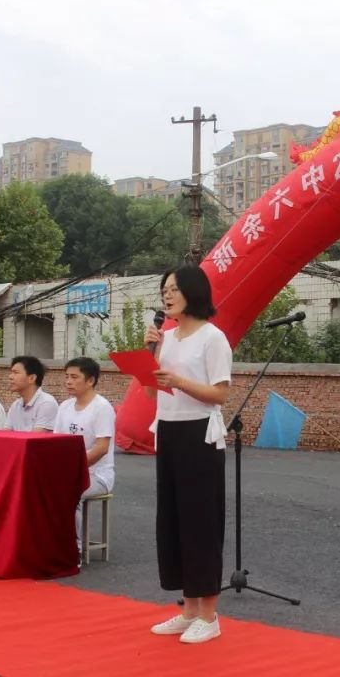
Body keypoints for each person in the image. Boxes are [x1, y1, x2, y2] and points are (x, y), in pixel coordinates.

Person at [143, 265, 232, 645]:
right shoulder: (168, 338)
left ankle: (209, 616)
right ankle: (189, 610)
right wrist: (150, 359)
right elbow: (153, 394)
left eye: (175, 289)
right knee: (174, 521)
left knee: (201, 523)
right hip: (169, 429)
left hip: (200, 434)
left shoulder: (213, 338)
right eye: (164, 289)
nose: (168, 295)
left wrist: (178, 380)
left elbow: (220, 394)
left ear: (193, 292)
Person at [54, 357, 115, 555]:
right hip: (68, 472)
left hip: (97, 475)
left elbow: (102, 448)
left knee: (69, 492)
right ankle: (49, 543)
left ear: (90, 381)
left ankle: (74, 549)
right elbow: (57, 444)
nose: (68, 381)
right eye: (66, 377)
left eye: (74, 377)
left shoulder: (102, 407)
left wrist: (74, 469)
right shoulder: (64, 407)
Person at [7, 355, 59, 432]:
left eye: (16, 372)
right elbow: (6, 434)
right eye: (11, 372)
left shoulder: (46, 403)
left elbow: (36, 440)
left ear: (32, 378)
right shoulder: (16, 405)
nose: (10, 377)